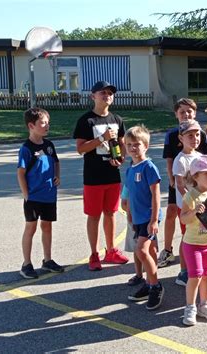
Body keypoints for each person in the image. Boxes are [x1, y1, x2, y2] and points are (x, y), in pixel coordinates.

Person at [73, 80, 129, 271]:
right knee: (94, 215)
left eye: (110, 93)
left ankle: (111, 250)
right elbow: (80, 149)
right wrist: (101, 139)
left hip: (112, 175)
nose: (107, 96)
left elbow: (122, 145)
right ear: (93, 96)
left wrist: (120, 159)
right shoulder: (86, 120)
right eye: (102, 93)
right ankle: (94, 253)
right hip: (93, 176)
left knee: (111, 213)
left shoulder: (117, 119)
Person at [158, 98, 207, 270]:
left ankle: (204, 266)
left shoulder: (201, 134)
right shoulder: (173, 136)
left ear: (195, 113)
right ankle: (171, 254)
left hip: (199, 187)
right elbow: (170, 160)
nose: (186, 114)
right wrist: (173, 181)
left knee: (205, 228)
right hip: (180, 182)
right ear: (176, 114)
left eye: (189, 111)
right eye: (182, 112)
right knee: (182, 224)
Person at [17, 107, 64, 279]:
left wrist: (57, 176)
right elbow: (20, 172)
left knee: (47, 226)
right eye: (42, 123)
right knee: (31, 227)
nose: (46, 126)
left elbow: (56, 162)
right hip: (33, 197)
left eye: (47, 123)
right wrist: (26, 194)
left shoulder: (49, 145)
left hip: (49, 196)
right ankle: (26, 264)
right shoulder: (26, 148)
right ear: (31, 125)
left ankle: (47, 259)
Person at [180, 155, 207, 326]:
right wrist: (193, 212)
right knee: (195, 275)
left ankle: (204, 304)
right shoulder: (190, 196)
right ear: (196, 176)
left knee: (206, 275)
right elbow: (183, 219)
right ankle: (190, 307)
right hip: (192, 243)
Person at [124, 125, 165, 310]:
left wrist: (154, 219)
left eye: (137, 144)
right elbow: (132, 195)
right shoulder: (130, 169)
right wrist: (131, 215)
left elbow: (156, 195)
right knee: (151, 251)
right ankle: (149, 283)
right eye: (129, 144)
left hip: (150, 217)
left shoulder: (149, 167)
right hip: (138, 218)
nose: (133, 148)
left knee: (141, 250)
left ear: (146, 146)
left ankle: (156, 285)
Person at [172, 120, 203, 285]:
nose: (194, 138)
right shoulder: (180, 160)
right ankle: (184, 272)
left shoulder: (199, 157)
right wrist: (190, 203)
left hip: (201, 206)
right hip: (187, 207)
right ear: (180, 138)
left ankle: (201, 269)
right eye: (190, 135)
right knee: (187, 237)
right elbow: (180, 185)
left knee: (201, 236)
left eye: (197, 134)